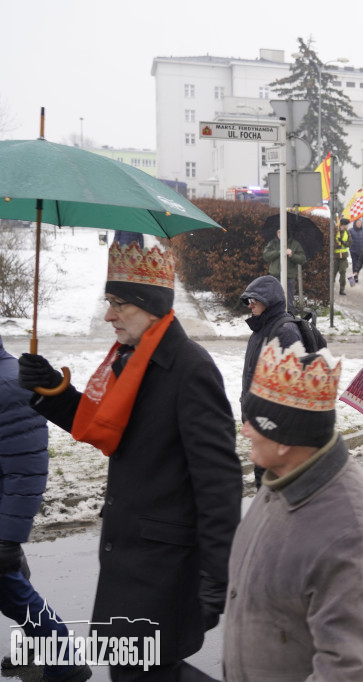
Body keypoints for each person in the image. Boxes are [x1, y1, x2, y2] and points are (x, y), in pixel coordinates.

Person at [18, 242, 241, 680]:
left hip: (164, 565)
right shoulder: (129, 360)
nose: (108, 315)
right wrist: (53, 391)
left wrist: (218, 573)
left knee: (141, 673)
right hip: (130, 555)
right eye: (109, 302)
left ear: (151, 305)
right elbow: (109, 428)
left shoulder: (189, 368)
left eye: (119, 304)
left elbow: (219, 481)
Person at [224, 340, 363, 681]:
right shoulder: (282, 478)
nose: (244, 431)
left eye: (253, 422)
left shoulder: (353, 533)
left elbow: (350, 669)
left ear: (285, 438)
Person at [0, 334, 91, 682]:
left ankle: (64, 660)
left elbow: (27, 468)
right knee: (13, 590)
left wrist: (8, 538)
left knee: (13, 591)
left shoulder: (9, 383)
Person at [239, 275, 302, 489]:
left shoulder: (285, 332)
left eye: (255, 299)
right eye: (248, 300)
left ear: (270, 300)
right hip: (260, 426)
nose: (250, 304)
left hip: (276, 430)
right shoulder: (259, 330)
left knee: (273, 492)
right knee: (264, 490)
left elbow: (292, 384)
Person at [263, 228, 307, 314]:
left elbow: (302, 259)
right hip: (274, 277)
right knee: (274, 301)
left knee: (288, 302)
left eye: (282, 232)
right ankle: (275, 322)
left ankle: (289, 322)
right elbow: (266, 256)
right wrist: (279, 252)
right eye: (278, 232)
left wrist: (292, 255)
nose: (280, 234)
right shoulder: (272, 243)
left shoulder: (294, 244)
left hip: (288, 278)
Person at [334, 217, 351, 296]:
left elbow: (350, 243)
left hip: (343, 257)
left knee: (343, 273)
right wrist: (337, 245)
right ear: (342, 225)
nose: (346, 227)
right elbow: (331, 242)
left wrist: (343, 242)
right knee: (333, 273)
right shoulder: (336, 232)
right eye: (345, 225)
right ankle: (330, 288)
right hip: (335, 257)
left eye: (347, 225)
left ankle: (342, 289)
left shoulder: (347, 233)